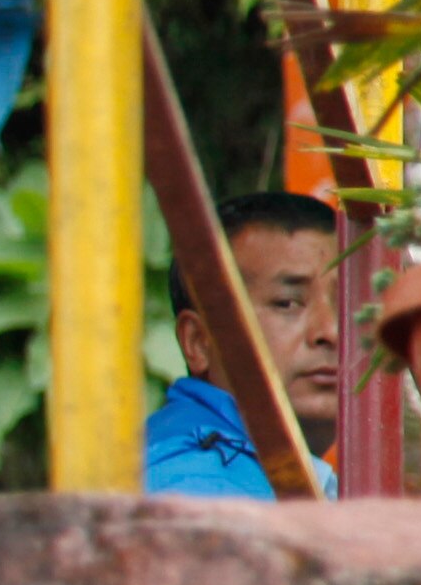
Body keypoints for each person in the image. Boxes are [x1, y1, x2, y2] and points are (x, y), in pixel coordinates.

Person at [146, 189, 346, 498]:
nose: (330, 331)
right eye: (287, 303)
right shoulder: (198, 485)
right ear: (199, 342)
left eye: (348, 303)